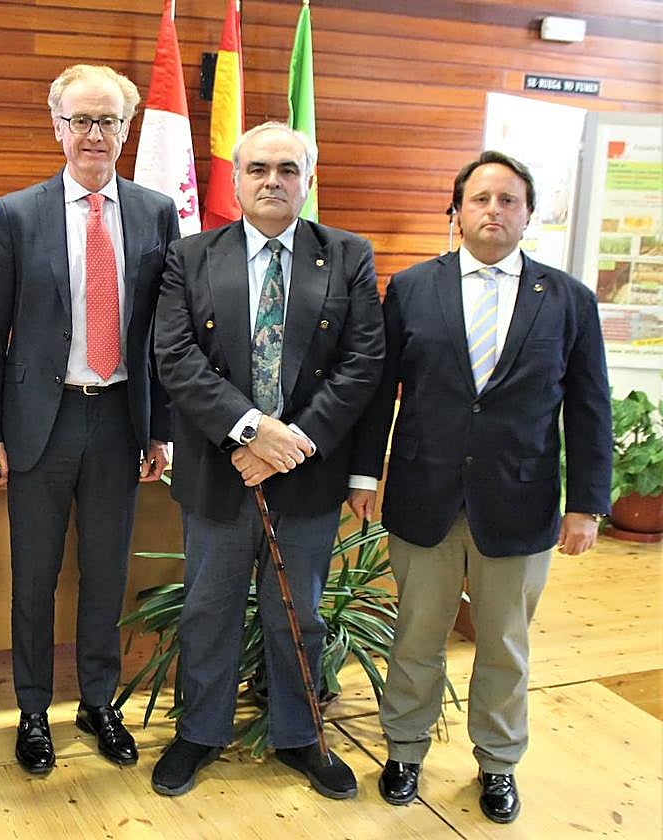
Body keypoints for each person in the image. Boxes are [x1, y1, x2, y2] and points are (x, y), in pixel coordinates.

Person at [349, 150, 612, 824]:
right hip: (424, 498)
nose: (494, 210)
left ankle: (498, 762)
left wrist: (587, 505)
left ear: (528, 215)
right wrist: (364, 473)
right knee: (416, 637)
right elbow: (380, 392)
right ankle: (404, 750)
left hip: (520, 503)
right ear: (457, 212)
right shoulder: (412, 289)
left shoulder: (569, 300)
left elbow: (589, 408)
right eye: (481, 199)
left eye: (508, 200)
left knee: (505, 646)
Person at [151, 122, 384, 798]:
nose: (272, 180)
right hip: (219, 468)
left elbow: (364, 361)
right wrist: (252, 432)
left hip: (307, 472)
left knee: (298, 614)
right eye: (258, 168)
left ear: (308, 179)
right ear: (236, 179)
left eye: (287, 168)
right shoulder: (190, 256)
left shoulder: (347, 255)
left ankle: (300, 735)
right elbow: (175, 357)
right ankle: (200, 733)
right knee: (208, 610)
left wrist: (290, 444)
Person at [0, 64, 179, 774]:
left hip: (121, 419)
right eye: (81, 120)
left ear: (126, 129)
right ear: (57, 126)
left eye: (108, 121)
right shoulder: (18, 213)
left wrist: (160, 428)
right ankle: (33, 709)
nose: (94, 134)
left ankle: (98, 702)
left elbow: (164, 334)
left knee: (105, 572)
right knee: (33, 577)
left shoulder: (155, 212)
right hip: (42, 420)